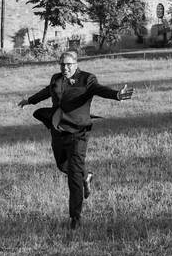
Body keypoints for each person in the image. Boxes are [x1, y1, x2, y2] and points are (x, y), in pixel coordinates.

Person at [18, 51, 133, 229]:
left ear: (76, 64)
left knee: (73, 174)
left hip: (79, 132)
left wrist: (117, 95)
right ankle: (86, 176)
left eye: (69, 64)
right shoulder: (56, 78)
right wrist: (29, 100)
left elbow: (100, 89)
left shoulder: (87, 79)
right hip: (59, 130)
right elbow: (46, 92)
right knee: (62, 165)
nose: (65, 68)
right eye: (62, 64)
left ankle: (75, 217)